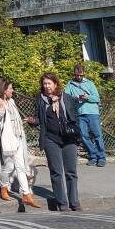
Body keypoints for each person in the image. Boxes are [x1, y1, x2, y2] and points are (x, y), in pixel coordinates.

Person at [30, 72, 81, 212]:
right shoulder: (40, 100)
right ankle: (62, 203)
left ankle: (74, 202)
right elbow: (39, 118)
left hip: (68, 139)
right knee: (56, 172)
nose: (47, 87)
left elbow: (75, 116)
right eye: (44, 84)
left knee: (71, 172)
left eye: (49, 84)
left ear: (55, 84)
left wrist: (77, 132)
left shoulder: (66, 98)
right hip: (50, 139)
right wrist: (33, 121)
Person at [0, 79, 39, 208]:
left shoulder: (12, 101)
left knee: (20, 167)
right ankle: (4, 187)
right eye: (10, 88)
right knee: (9, 167)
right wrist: (0, 112)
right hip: (5, 140)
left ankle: (26, 195)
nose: (12, 90)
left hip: (18, 137)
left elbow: (15, 120)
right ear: (3, 90)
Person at [64, 64, 106, 167]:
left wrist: (87, 97)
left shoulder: (90, 84)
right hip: (80, 113)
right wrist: (77, 97)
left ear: (83, 74)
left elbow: (96, 98)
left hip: (92, 113)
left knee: (97, 135)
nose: (78, 77)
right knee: (83, 136)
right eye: (77, 75)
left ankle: (101, 157)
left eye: (81, 75)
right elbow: (66, 99)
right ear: (74, 74)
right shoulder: (70, 85)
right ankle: (93, 155)